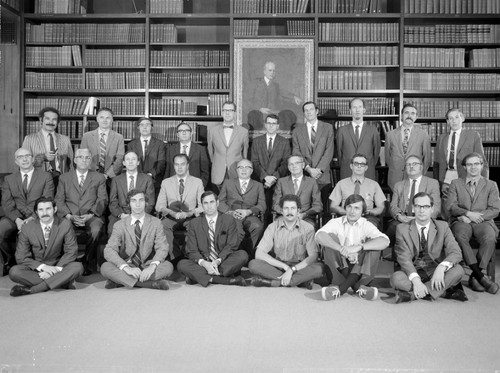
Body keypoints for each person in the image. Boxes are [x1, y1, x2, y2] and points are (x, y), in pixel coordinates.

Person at [391, 192, 466, 303]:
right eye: (418, 206)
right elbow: (404, 258)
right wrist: (416, 280)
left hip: (435, 271)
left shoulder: (443, 226)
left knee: (458, 271)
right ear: (413, 208)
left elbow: (456, 252)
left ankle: (411, 295)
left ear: (432, 208)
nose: (422, 211)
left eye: (426, 206)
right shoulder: (402, 228)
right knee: (396, 278)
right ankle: (442, 291)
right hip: (414, 270)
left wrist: (441, 268)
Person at [316, 194, 390, 301]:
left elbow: (385, 241)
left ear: (362, 211)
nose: (352, 211)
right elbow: (319, 236)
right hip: (339, 269)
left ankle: (341, 289)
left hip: (360, 269)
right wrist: (342, 249)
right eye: (349, 207)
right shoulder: (336, 222)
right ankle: (358, 289)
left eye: (356, 208)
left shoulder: (367, 225)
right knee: (329, 238)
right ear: (345, 208)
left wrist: (359, 247)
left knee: (373, 244)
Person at [446, 152, 500, 295]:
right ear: (464, 167)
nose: (473, 167)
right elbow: (451, 206)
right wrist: (467, 214)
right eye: (470, 164)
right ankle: (481, 277)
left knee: (489, 238)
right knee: (459, 236)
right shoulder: (455, 183)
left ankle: (476, 275)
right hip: (461, 220)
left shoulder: (491, 185)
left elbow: (495, 209)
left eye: (476, 164)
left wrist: (477, 216)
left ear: (482, 166)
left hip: (483, 221)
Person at [9, 197, 83, 297]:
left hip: (59, 265)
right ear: (36, 211)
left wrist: (55, 270)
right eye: (41, 210)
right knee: (14, 272)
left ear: (55, 209)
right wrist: (43, 268)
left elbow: (71, 251)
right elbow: (21, 256)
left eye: (48, 209)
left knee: (78, 267)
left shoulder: (65, 224)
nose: (45, 213)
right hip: (37, 269)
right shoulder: (27, 227)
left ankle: (34, 289)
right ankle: (61, 281)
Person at [101, 189, 173, 290]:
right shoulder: (119, 225)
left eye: (141, 200)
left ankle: (121, 281)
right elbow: (109, 250)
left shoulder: (156, 222)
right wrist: (126, 268)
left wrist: (152, 267)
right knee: (105, 267)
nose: (138, 204)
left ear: (146, 203)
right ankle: (151, 284)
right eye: (133, 201)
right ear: (129, 204)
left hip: (147, 265)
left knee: (168, 267)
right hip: (128, 264)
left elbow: (163, 247)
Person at [248, 194, 323, 288]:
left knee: (319, 268)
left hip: (298, 268)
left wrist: (292, 270)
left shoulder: (308, 228)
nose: (289, 212)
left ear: (298, 211)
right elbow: (259, 253)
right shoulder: (272, 227)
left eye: (293, 208)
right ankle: (299, 281)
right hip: (278, 266)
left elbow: (313, 256)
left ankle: (275, 282)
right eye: (286, 208)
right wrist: (285, 267)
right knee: (253, 264)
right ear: (281, 211)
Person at [177, 191, 248, 287]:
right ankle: (225, 280)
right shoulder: (194, 223)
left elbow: (232, 245)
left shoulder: (229, 220)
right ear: (202, 206)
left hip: (222, 260)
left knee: (242, 255)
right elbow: (191, 249)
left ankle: (199, 277)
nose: (209, 206)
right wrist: (204, 263)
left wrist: (218, 260)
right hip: (204, 261)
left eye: (212, 202)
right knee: (182, 264)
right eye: (205, 203)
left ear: (217, 203)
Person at [0, 148, 54, 274]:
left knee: (26, 233)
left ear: (33, 159)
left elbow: (47, 200)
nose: (24, 159)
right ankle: (9, 260)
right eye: (20, 157)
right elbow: (7, 203)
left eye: (27, 156)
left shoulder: (46, 176)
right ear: (16, 161)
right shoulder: (9, 179)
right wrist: (17, 219)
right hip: (14, 217)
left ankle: (29, 264)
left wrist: (32, 217)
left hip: (37, 216)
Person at [55, 148, 108, 276]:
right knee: (62, 227)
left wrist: (90, 214)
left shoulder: (99, 177)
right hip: (69, 215)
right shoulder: (64, 178)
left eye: (87, 158)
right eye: (81, 157)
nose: (84, 160)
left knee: (96, 230)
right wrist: (69, 216)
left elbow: (102, 199)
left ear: (91, 160)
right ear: (75, 160)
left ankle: (87, 261)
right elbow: (59, 200)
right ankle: (68, 262)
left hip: (92, 215)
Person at [434, 108, 488, 219]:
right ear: (447, 122)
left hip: (466, 176)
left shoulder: (473, 135)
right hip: (446, 176)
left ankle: (462, 228)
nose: (454, 121)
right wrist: (437, 182)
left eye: (457, 117)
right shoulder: (441, 138)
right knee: (447, 206)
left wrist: (484, 183)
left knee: (465, 204)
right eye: (450, 118)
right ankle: (448, 229)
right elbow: (437, 163)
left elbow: (482, 161)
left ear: (462, 118)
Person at [156, 153, 204, 260]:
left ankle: (189, 255)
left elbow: (203, 206)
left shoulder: (197, 182)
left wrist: (190, 212)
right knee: (161, 225)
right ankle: (176, 257)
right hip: (172, 216)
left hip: (190, 216)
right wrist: (172, 212)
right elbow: (159, 206)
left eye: (182, 164)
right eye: (177, 164)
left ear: (187, 165)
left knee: (195, 226)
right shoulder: (166, 182)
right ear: (173, 166)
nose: (180, 167)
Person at [292, 101, 334, 221]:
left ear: (317, 111)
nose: (309, 112)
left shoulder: (328, 128)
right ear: (304, 113)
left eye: (311, 109)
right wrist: (309, 169)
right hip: (305, 174)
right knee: (306, 209)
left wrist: (318, 169)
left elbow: (329, 150)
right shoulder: (297, 131)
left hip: (323, 176)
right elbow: (296, 153)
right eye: (306, 110)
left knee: (324, 211)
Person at [387, 154, 441, 245]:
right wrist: (399, 216)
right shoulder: (399, 185)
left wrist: (420, 218)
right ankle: (397, 257)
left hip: (424, 218)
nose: (411, 166)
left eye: (414, 164)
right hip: (404, 217)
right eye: (408, 164)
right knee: (393, 227)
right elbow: (393, 205)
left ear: (421, 167)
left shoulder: (432, 183)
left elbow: (436, 208)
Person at [218, 159, 266, 257]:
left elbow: (262, 205)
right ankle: (233, 256)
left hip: (249, 215)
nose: (244, 170)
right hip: (231, 214)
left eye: (247, 167)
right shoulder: (228, 183)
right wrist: (230, 212)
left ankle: (249, 255)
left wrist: (248, 212)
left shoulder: (258, 185)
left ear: (251, 171)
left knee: (258, 227)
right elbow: (220, 202)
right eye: (241, 167)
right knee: (235, 228)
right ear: (237, 170)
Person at [250, 114, 291, 222]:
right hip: (260, 181)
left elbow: (286, 163)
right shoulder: (257, 141)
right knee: (261, 212)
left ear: (277, 126)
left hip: (277, 182)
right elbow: (254, 162)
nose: (271, 126)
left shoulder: (284, 142)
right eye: (269, 123)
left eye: (273, 124)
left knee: (275, 211)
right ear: (265, 125)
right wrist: (265, 177)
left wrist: (273, 177)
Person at [329, 153, 386, 229]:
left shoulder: (374, 185)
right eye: (356, 163)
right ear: (351, 166)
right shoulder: (341, 184)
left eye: (362, 164)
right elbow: (333, 206)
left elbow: (381, 207)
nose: (359, 166)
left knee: (370, 227)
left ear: (366, 167)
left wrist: (369, 212)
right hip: (346, 216)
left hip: (367, 218)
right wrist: (348, 212)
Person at [385, 103, 432, 191]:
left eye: (413, 113)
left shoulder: (423, 134)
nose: (409, 116)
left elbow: (427, 158)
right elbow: (388, 158)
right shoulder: (390, 135)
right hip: (395, 178)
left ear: (416, 117)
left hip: (415, 177)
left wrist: (419, 174)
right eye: (406, 113)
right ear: (401, 116)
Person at [21, 107, 74, 186]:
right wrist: (43, 157)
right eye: (47, 119)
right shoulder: (29, 139)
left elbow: (71, 163)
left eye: (54, 119)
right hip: (38, 181)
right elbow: (23, 162)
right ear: (41, 120)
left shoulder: (65, 139)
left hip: (62, 181)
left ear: (57, 122)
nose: (51, 122)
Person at [108, 151, 155, 236]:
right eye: (127, 159)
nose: (130, 162)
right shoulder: (116, 180)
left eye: (133, 159)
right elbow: (113, 201)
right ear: (124, 163)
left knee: (146, 232)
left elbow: (150, 202)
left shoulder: (147, 179)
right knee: (112, 230)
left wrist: (139, 215)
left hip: (141, 214)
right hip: (121, 214)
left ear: (138, 162)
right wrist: (121, 215)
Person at [247, 61, 302, 130]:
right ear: (264, 71)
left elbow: (284, 93)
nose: (272, 73)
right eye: (270, 70)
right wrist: (259, 109)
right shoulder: (255, 84)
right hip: (258, 117)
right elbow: (248, 100)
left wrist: (294, 97)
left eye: (274, 71)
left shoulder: (275, 85)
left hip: (273, 117)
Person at [336, 98, 381, 181]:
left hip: (367, 173)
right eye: (354, 107)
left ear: (364, 110)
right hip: (347, 172)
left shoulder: (373, 130)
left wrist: (368, 165)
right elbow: (339, 153)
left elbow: (376, 152)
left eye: (360, 107)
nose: (357, 110)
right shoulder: (342, 130)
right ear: (350, 110)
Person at [207, 101, 249, 189]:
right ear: (222, 112)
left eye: (230, 110)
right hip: (218, 173)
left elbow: (245, 155)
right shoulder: (212, 131)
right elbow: (210, 152)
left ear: (235, 113)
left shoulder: (244, 132)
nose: (227, 113)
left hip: (236, 173)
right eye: (225, 110)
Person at [273, 155, 322, 227]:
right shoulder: (281, 182)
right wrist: (287, 213)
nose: (294, 166)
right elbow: (275, 204)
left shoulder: (312, 182)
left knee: (309, 226)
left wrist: (305, 214)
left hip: (305, 217)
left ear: (303, 165)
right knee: (278, 225)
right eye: (291, 164)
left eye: (297, 163)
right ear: (288, 167)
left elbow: (318, 206)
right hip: (285, 216)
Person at [80, 107, 125, 180]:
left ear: (112, 120)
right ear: (97, 119)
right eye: (101, 117)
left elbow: (119, 159)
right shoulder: (86, 136)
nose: (104, 120)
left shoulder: (119, 137)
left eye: (108, 118)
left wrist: (107, 175)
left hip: (112, 178)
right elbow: (84, 157)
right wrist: (97, 174)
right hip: (91, 176)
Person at [126, 117, 166, 196]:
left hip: (154, 180)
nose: (144, 127)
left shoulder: (160, 144)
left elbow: (161, 162)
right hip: (136, 180)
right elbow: (130, 162)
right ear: (138, 128)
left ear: (152, 127)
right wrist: (139, 175)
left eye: (147, 125)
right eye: (142, 125)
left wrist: (150, 174)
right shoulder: (131, 145)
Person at [164, 121, 210, 188]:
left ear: (191, 133)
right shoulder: (170, 149)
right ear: (177, 134)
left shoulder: (200, 149)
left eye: (186, 130)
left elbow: (205, 172)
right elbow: (167, 171)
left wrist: (200, 187)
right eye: (181, 131)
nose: (184, 133)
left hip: (194, 186)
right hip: (174, 187)